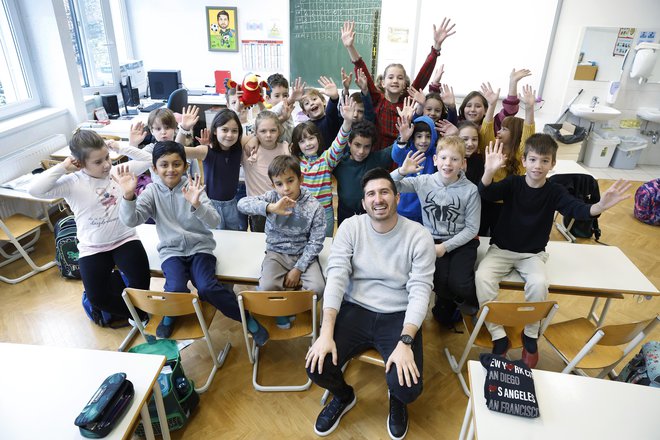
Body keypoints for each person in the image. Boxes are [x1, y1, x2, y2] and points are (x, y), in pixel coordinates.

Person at [475, 135, 631, 368]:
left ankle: (531, 333)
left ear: (553, 164)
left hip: (532, 254)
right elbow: (486, 193)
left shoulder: (554, 191)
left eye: (544, 161)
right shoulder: (513, 184)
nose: (538, 166)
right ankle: (499, 335)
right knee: (481, 278)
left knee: (539, 284)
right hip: (501, 250)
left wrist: (599, 206)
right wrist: (488, 171)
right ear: (524, 161)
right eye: (534, 159)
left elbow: (577, 209)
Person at [305, 168, 435, 439]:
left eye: (385, 191)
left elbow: (421, 290)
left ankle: (396, 400)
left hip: (397, 313)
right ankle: (343, 396)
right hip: (357, 309)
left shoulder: (419, 235)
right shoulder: (351, 227)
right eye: (371, 194)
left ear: (397, 197)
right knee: (316, 366)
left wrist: (406, 342)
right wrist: (326, 332)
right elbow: (337, 277)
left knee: (407, 388)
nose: (378, 199)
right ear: (363, 203)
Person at [116, 141, 268, 344]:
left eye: (176, 164)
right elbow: (131, 220)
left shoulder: (193, 188)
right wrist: (128, 196)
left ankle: (246, 319)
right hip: (172, 252)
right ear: (154, 168)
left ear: (185, 166)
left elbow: (214, 220)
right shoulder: (152, 192)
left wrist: (197, 204)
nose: (171, 169)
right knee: (175, 289)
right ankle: (171, 314)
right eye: (164, 164)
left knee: (207, 288)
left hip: (200, 249)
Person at [29, 129, 152, 320]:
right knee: (97, 298)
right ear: (80, 163)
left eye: (107, 157)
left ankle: (140, 314)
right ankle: (138, 315)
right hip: (93, 248)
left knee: (141, 285)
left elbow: (149, 160)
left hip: (125, 239)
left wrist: (120, 146)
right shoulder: (72, 183)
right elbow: (34, 190)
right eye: (98, 161)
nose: (106, 165)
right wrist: (63, 167)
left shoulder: (116, 172)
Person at [392, 136, 481, 328]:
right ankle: (447, 308)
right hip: (431, 240)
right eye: (443, 158)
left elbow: (472, 228)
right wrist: (401, 171)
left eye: (455, 159)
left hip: (462, 241)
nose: (448, 164)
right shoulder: (423, 181)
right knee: (437, 280)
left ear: (463, 164)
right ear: (435, 160)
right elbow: (389, 186)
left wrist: (445, 248)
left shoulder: (470, 190)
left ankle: (474, 305)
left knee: (460, 283)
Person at [237, 155, 326, 329]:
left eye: (290, 181)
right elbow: (242, 203)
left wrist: (298, 269)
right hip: (276, 253)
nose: (285, 188)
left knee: (318, 288)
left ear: (300, 179)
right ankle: (281, 310)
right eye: (279, 184)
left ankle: (291, 304)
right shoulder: (271, 198)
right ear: (273, 185)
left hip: (303, 254)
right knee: (267, 287)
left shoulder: (314, 206)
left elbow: (316, 242)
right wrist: (270, 208)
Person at [341, 18, 455, 150]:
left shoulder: (408, 100)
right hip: (377, 154)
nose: (395, 80)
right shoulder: (377, 99)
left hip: (401, 155)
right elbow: (362, 68)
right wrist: (350, 47)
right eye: (391, 77)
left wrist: (436, 48)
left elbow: (423, 76)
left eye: (400, 78)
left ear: (405, 83)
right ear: (383, 83)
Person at [290, 96, 357, 237]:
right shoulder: (295, 162)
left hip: (324, 213)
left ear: (318, 139)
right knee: (302, 246)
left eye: (311, 138)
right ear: (297, 145)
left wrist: (347, 121)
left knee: (324, 247)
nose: (308, 144)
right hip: (302, 212)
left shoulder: (326, 159)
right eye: (302, 141)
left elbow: (340, 142)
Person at [183, 109, 248, 231]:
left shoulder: (238, 147)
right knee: (214, 238)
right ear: (214, 131)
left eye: (234, 131)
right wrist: (183, 129)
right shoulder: (206, 151)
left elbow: (254, 137)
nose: (229, 135)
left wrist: (253, 140)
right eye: (224, 130)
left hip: (232, 204)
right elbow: (177, 150)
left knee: (234, 237)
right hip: (211, 205)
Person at [333, 120, 392, 225]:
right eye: (357, 145)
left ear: (371, 146)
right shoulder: (339, 163)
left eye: (366, 147)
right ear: (349, 143)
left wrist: (403, 138)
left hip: (370, 214)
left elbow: (396, 148)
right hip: (345, 214)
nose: (361, 151)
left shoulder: (376, 159)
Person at [242, 110, 290, 231]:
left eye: (273, 130)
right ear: (256, 132)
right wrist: (253, 138)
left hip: (281, 206)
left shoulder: (284, 148)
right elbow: (233, 138)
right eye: (263, 131)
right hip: (258, 210)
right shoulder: (248, 151)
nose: (268, 135)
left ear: (279, 131)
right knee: (259, 244)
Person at [391, 110, 438, 224]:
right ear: (412, 138)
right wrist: (403, 138)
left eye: (428, 136)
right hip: (403, 209)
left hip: (427, 212)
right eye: (419, 136)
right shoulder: (406, 151)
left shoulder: (435, 154)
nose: (423, 141)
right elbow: (395, 155)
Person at [458, 68, 531, 134]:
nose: (472, 109)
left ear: (486, 110)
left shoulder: (494, 125)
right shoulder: (455, 123)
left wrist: (513, 83)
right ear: (463, 108)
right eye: (468, 106)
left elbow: (510, 110)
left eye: (478, 106)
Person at [299, 77, 344, 153]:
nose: (312, 103)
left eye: (314, 99)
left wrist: (334, 98)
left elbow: (331, 112)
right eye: (307, 103)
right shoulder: (306, 127)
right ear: (304, 112)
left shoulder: (330, 119)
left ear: (323, 101)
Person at [265, 74, 305, 143]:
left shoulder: (288, 112)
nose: (282, 99)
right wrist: (291, 99)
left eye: (285, 95)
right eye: (277, 96)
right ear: (268, 99)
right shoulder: (266, 114)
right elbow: (271, 119)